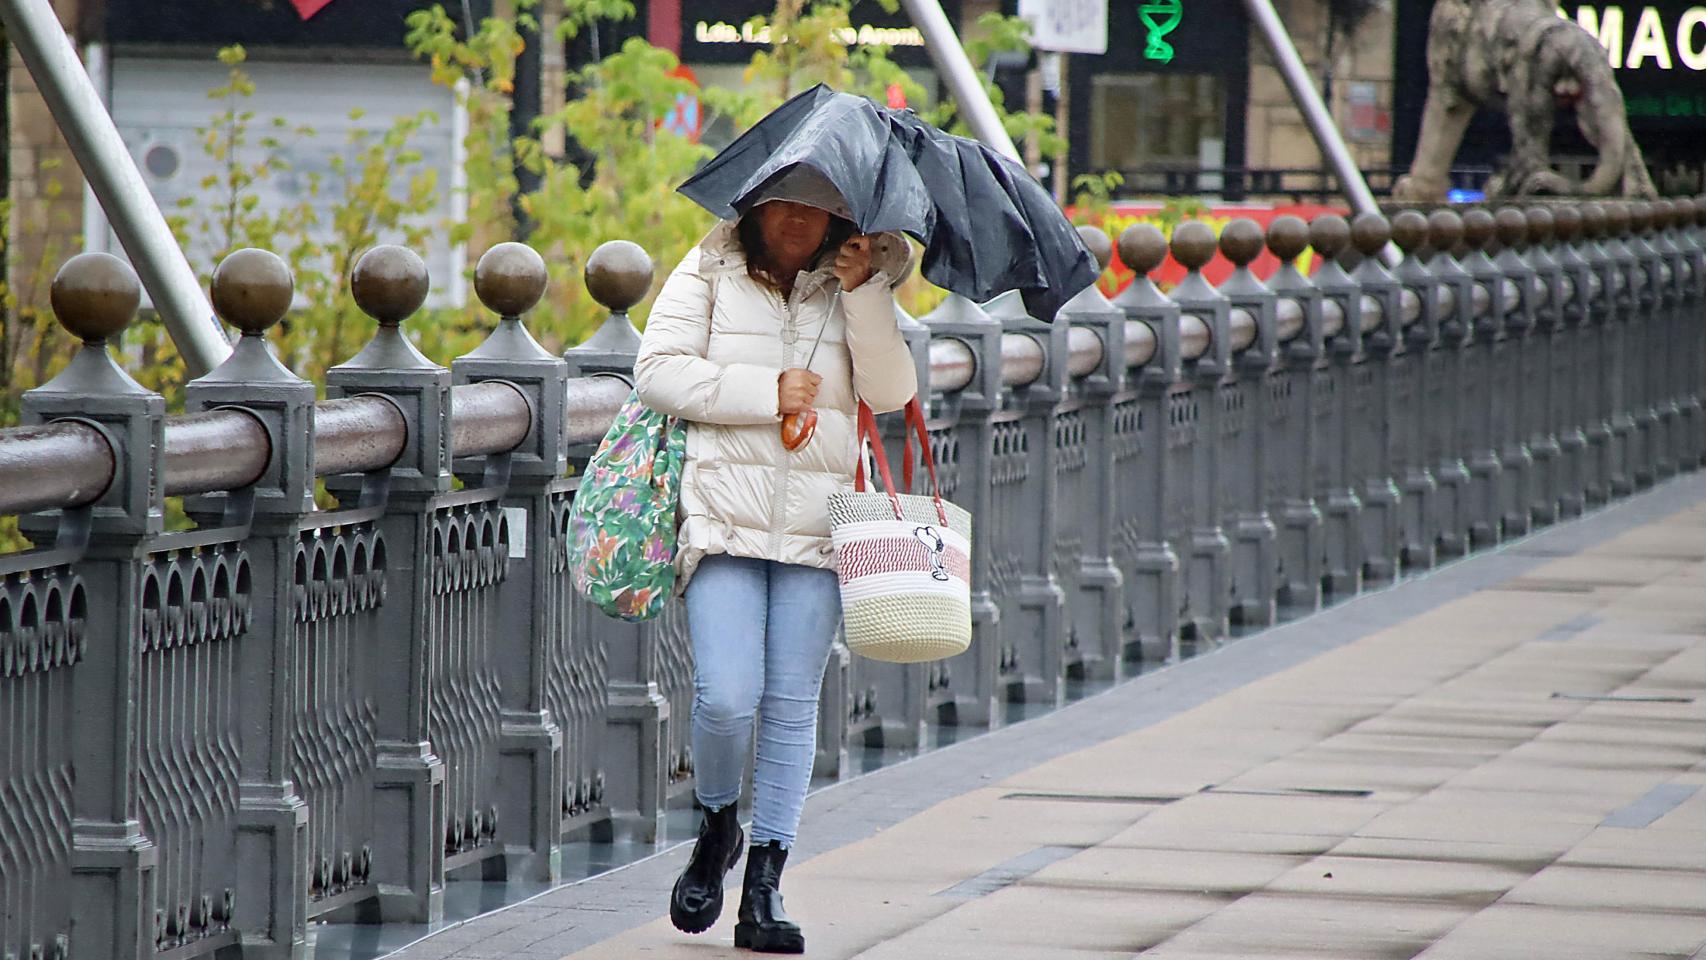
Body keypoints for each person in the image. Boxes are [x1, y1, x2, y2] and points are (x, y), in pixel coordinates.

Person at [634, 168, 917, 954]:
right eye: (784, 201)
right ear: (753, 205)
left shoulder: (854, 279)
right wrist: (769, 391)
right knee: (726, 697)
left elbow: (892, 391)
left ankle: (765, 883)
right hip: (724, 522)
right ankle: (720, 821)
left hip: (819, 530)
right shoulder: (710, 268)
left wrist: (866, 294)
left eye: (820, 205)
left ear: (843, 216)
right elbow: (655, 372)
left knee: (793, 703)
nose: (800, 218)